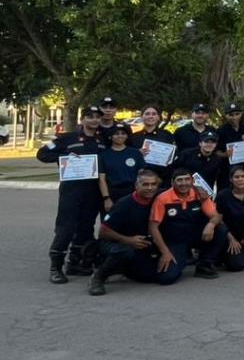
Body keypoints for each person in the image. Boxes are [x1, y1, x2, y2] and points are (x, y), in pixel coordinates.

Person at [37, 104, 106, 283]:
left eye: (97, 117)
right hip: (71, 191)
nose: (94, 120)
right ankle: (56, 267)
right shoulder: (66, 138)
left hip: (92, 192)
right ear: (82, 119)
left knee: (85, 228)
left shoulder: (101, 140)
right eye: (90, 116)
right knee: (65, 229)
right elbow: (42, 154)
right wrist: (64, 158)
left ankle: (75, 263)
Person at [88, 169, 162, 296]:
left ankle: (121, 268)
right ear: (136, 186)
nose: (150, 188)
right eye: (145, 184)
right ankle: (98, 276)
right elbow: (103, 232)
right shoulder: (124, 204)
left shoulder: (159, 198)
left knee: (150, 276)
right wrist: (128, 240)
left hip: (139, 244)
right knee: (124, 252)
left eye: (153, 184)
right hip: (114, 243)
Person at [148, 167, 226, 283]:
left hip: (195, 236)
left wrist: (210, 225)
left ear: (192, 181)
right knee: (167, 278)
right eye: (179, 180)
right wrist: (165, 252)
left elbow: (216, 216)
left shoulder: (200, 194)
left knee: (220, 229)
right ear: (172, 182)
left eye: (187, 179)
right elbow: (153, 228)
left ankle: (204, 264)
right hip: (174, 241)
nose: (183, 183)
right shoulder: (162, 199)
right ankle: (179, 259)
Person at [99, 122, 143, 212]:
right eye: (116, 134)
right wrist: (106, 198)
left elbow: (141, 175)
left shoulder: (136, 153)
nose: (120, 136)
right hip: (112, 193)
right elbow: (101, 179)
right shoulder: (103, 155)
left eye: (123, 133)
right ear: (110, 136)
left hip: (133, 193)